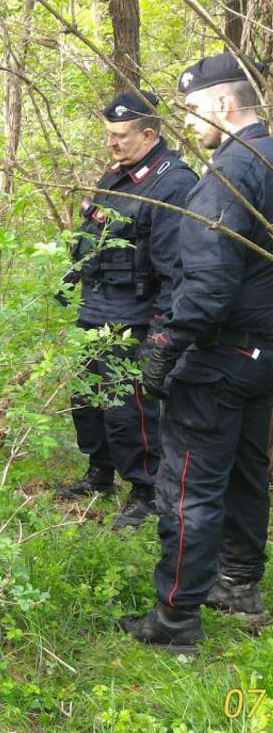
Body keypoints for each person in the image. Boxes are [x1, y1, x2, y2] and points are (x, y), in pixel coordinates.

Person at [120, 53, 273, 651]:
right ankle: (238, 584)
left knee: (188, 485)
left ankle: (176, 619)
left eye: (192, 110)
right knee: (245, 470)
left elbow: (208, 282)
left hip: (221, 354)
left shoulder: (232, 172)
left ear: (222, 104)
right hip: (264, 354)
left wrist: (166, 344)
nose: (191, 122)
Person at [55, 91, 197, 529]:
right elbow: (92, 231)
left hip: (134, 315)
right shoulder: (118, 175)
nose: (111, 144)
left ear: (149, 134)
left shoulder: (173, 184)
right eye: (109, 135)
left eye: (119, 136)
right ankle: (100, 474)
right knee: (86, 399)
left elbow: (175, 269)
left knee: (127, 407)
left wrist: (160, 328)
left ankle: (146, 488)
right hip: (96, 305)